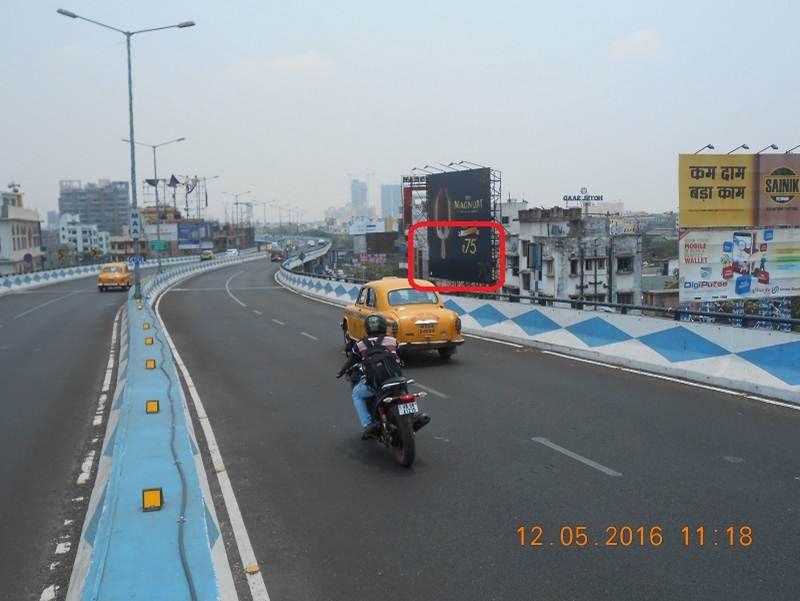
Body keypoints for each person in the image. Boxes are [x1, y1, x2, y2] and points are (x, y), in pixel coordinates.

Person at [337, 314, 429, 438]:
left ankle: (368, 424)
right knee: (403, 390)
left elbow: (351, 361)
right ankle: (412, 416)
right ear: (384, 326)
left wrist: (341, 372)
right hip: (395, 379)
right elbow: (399, 356)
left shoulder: (359, 345)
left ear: (367, 328)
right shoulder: (393, 341)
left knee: (357, 394)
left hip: (376, 383)